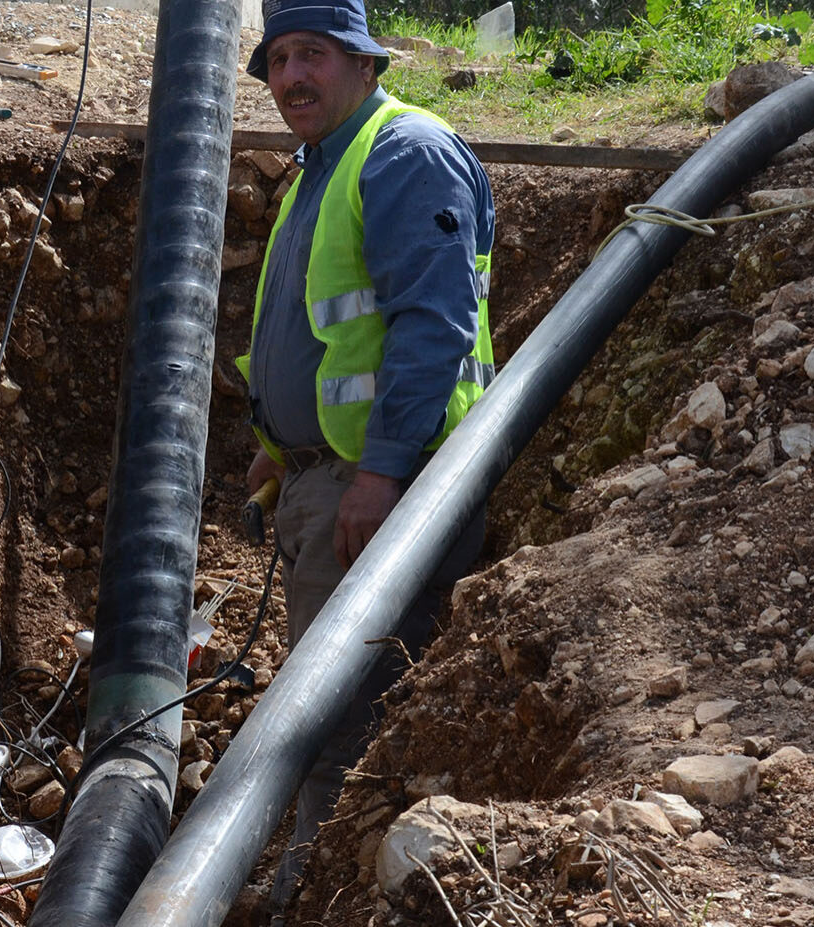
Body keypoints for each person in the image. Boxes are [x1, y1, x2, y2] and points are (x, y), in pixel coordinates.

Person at [234, 0, 496, 918]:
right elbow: (317, 331)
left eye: (314, 54)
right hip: (326, 476)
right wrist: (278, 449)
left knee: (342, 708)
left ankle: (309, 893)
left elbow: (432, 327)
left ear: (364, 63)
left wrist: (380, 474)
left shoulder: (400, 153)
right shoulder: (320, 167)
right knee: (320, 694)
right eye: (277, 59)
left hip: (382, 484)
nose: (292, 76)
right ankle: (302, 875)